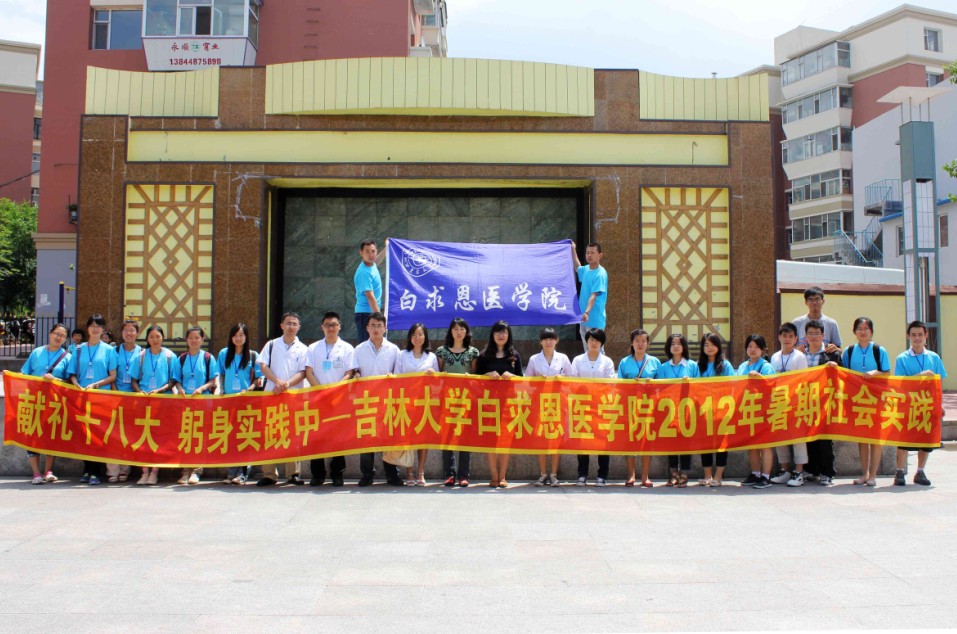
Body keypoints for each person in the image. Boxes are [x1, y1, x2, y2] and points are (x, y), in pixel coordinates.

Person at [305, 311, 357, 487]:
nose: (331, 328)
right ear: (322, 327)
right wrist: (321, 391)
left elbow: (349, 373)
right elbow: (308, 372)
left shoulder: (347, 348)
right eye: (327, 325)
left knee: (338, 437)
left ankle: (337, 474)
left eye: (334, 325)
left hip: (338, 399)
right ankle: (318, 474)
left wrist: (334, 391)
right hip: (317, 398)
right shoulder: (313, 348)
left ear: (339, 327)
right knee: (317, 436)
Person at [257, 312, 309, 487]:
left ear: (299, 327)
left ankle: (293, 473)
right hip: (272, 394)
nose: (291, 327)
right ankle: (269, 474)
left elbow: (303, 372)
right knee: (270, 433)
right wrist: (277, 381)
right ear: (281, 325)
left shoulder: (303, 349)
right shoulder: (271, 344)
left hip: (292, 395)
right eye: (288, 323)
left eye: (294, 324)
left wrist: (286, 384)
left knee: (293, 434)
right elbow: (263, 365)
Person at [894, 320, 947, 487]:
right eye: (913, 335)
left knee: (926, 438)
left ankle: (920, 471)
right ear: (908, 336)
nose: (917, 338)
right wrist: (920, 376)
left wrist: (940, 404)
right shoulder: (902, 358)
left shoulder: (934, 357)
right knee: (904, 439)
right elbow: (900, 383)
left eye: (920, 335)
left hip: (927, 405)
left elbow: (939, 383)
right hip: (908, 405)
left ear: (926, 336)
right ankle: (900, 471)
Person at [839, 317, 891, 486]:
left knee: (875, 438)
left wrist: (876, 373)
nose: (863, 332)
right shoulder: (849, 351)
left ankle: (873, 475)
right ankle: (864, 474)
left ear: (871, 331)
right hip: (858, 400)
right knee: (861, 438)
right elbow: (843, 373)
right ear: (854, 332)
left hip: (875, 399)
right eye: (859, 329)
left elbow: (887, 373)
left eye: (866, 329)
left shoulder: (879, 350)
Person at [353, 312, 403, 487]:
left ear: (385, 328)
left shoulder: (394, 349)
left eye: (379, 326)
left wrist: (392, 377)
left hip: (387, 400)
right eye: (373, 325)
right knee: (367, 439)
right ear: (367, 328)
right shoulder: (359, 349)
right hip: (366, 400)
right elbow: (354, 370)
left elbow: (399, 374)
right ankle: (367, 474)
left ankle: (392, 474)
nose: (376, 329)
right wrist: (356, 375)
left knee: (389, 438)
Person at [67, 314, 118, 485]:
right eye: (92, 326)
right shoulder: (78, 349)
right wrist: (77, 385)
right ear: (87, 328)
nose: (95, 329)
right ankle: (87, 469)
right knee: (83, 434)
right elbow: (72, 374)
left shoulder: (109, 350)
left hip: (101, 398)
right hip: (82, 397)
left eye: (99, 326)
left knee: (97, 434)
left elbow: (113, 376)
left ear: (103, 329)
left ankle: (95, 471)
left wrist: (96, 384)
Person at [19, 323, 71, 484]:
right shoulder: (37, 352)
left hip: (54, 402)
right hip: (34, 400)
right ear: (50, 333)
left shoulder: (67, 357)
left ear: (65, 339)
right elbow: (24, 373)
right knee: (32, 435)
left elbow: (69, 382)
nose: (58, 337)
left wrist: (54, 379)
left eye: (62, 335)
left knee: (51, 435)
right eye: (56, 333)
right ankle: (36, 473)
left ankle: (48, 471)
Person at [476, 320, 524, 488]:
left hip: (508, 404)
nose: (501, 335)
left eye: (504, 332)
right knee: (490, 441)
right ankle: (494, 476)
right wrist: (487, 375)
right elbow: (475, 379)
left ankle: (503, 476)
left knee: (505, 440)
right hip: (488, 404)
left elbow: (521, 378)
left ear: (508, 335)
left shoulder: (514, 355)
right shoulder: (484, 355)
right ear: (492, 335)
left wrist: (512, 376)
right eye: (498, 332)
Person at [435, 317, 480, 487]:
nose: (458, 332)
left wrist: (470, 378)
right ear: (450, 331)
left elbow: (476, 376)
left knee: (464, 437)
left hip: (466, 400)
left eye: (462, 329)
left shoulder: (473, 352)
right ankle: (449, 474)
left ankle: (463, 475)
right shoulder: (441, 351)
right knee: (447, 436)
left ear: (466, 332)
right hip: (447, 399)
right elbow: (439, 374)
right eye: (455, 329)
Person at [525, 327, 572, 487]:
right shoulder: (534, 359)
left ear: (556, 341)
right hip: (540, 404)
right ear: (540, 341)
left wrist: (561, 378)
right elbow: (527, 381)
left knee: (555, 438)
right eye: (545, 339)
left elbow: (572, 379)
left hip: (558, 404)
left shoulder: (563, 358)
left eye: (551, 339)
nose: (548, 342)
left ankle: (553, 474)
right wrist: (537, 380)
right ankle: (543, 474)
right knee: (541, 439)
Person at [172, 326, 219, 485]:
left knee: (200, 436)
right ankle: (185, 470)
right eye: (191, 338)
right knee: (186, 436)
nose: (193, 341)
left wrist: (201, 388)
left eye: (197, 338)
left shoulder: (208, 358)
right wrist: (180, 389)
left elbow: (213, 380)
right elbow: (176, 379)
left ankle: (197, 470)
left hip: (203, 402)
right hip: (185, 403)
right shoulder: (181, 358)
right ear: (186, 340)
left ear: (202, 339)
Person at [130, 325, 177, 486]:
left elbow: (173, 381)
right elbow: (134, 380)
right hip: (144, 402)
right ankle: (144, 472)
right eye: (151, 337)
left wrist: (160, 390)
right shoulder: (141, 356)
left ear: (163, 337)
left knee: (158, 438)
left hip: (163, 401)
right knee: (143, 437)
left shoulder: (170, 356)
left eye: (158, 336)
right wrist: (140, 392)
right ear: (147, 339)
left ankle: (155, 472)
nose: (155, 340)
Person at [569, 327, 616, 486]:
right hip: (582, 405)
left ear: (602, 343)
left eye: (597, 340)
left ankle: (602, 475)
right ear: (586, 341)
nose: (594, 343)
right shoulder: (577, 360)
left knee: (603, 441)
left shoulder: (607, 361)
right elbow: (573, 381)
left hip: (602, 406)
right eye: (591, 340)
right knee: (582, 441)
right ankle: (582, 474)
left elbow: (610, 383)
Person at [396, 323, 440, 486]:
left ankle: (420, 471)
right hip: (407, 401)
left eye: (420, 334)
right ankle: (409, 472)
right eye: (414, 335)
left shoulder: (431, 357)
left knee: (423, 437)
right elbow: (397, 377)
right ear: (410, 337)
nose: (417, 338)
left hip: (425, 402)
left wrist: (433, 375)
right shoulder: (402, 355)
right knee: (409, 438)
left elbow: (437, 382)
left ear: (425, 337)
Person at [217, 323, 261, 485]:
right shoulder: (223, 354)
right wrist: (221, 389)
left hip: (246, 401)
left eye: (241, 335)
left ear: (246, 337)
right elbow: (220, 374)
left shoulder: (253, 355)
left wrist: (250, 389)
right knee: (230, 437)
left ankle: (243, 473)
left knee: (245, 436)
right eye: (235, 335)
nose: (238, 338)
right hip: (228, 401)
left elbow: (258, 378)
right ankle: (231, 472)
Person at [654, 333, 699, 487]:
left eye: (679, 343)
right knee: (671, 442)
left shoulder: (692, 366)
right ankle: (673, 473)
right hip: (669, 410)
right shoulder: (663, 367)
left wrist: (690, 383)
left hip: (687, 409)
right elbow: (658, 387)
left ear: (684, 347)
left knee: (686, 442)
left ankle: (684, 473)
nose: (676, 346)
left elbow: (700, 387)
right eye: (672, 344)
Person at [769, 322, 810, 487]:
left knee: (798, 438)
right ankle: (784, 470)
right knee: (780, 437)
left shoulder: (799, 357)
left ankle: (799, 472)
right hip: (779, 402)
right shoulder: (774, 357)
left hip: (795, 402)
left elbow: (803, 380)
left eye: (790, 336)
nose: (787, 339)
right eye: (784, 336)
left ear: (796, 339)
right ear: (779, 337)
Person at [618, 328, 661, 487]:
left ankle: (645, 476)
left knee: (646, 441)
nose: (640, 344)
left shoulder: (655, 362)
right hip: (630, 406)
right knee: (630, 441)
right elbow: (619, 384)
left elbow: (663, 385)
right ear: (632, 343)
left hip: (649, 406)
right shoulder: (624, 362)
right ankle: (631, 475)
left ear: (648, 344)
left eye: (643, 341)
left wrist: (652, 383)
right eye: (637, 341)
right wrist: (630, 383)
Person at [735, 334, 775, 489]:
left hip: (763, 410)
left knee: (765, 445)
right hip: (748, 410)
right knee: (752, 444)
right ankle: (755, 473)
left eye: (756, 347)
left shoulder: (766, 366)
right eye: (750, 346)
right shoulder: (742, 366)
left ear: (763, 350)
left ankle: (766, 476)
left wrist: (758, 377)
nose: (753, 350)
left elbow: (773, 386)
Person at [697, 333, 735, 487]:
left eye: (712, 344)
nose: (709, 348)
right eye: (706, 345)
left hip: (721, 410)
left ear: (718, 346)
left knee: (721, 444)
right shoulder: (698, 365)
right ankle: (707, 475)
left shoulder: (725, 365)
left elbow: (733, 385)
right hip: (703, 410)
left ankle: (718, 476)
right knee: (704, 443)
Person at [107, 319, 142, 483]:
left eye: (132, 330)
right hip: (116, 397)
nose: (129, 333)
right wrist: (115, 392)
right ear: (121, 333)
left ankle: (124, 469)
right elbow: (111, 374)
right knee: (113, 435)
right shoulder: (114, 351)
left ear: (137, 333)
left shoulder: (142, 352)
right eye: (126, 330)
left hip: (133, 398)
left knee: (129, 435)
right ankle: (112, 470)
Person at [572, 242, 608, 352]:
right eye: (587, 253)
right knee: (587, 352)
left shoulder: (600, 274)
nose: (589, 255)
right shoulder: (587, 269)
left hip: (594, 320)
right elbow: (578, 268)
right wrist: (573, 249)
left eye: (592, 253)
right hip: (584, 319)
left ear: (600, 255)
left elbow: (594, 295)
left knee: (597, 352)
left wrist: (587, 312)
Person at [353, 238, 387, 345]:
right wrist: (379, 318)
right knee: (365, 345)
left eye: (373, 251)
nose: (371, 254)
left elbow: (376, 261)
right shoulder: (364, 272)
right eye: (367, 251)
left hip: (371, 312)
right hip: (365, 314)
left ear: (376, 251)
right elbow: (370, 296)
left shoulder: (371, 265)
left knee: (373, 344)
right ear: (361, 253)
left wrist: (387, 248)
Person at [792, 286, 842, 354]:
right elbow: (788, 348)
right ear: (806, 302)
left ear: (823, 301)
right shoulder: (796, 323)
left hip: (824, 360)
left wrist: (835, 349)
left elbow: (839, 350)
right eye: (811, 299)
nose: (814, 302)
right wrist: (796, 350)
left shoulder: (831, 323)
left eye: (817, 299)